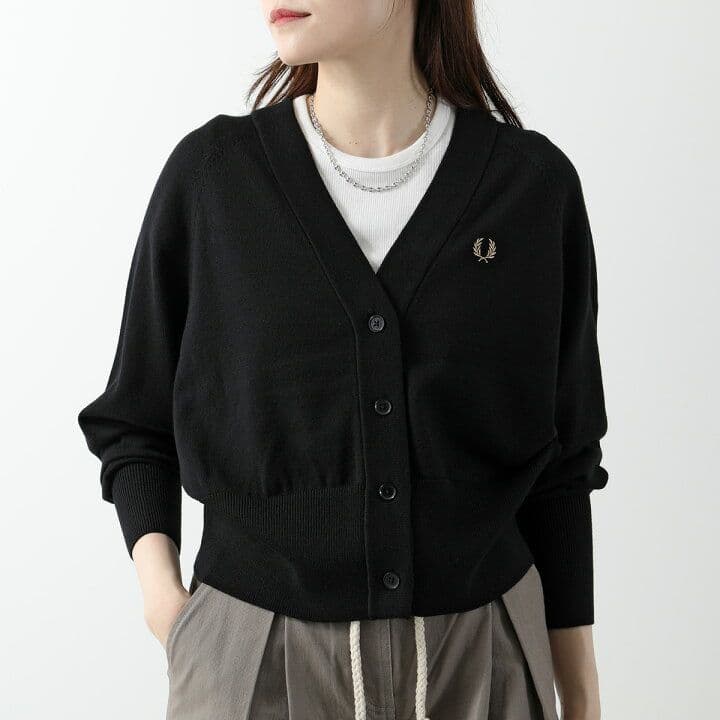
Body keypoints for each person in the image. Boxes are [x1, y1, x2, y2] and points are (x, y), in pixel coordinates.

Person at [77, 2, 609, 719]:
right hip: (252, 661)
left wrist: (581, 694)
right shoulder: (214, 180)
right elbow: (135, 421)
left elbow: (563, 461)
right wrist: (166, 606)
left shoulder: (531, 188)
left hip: (482, 662)